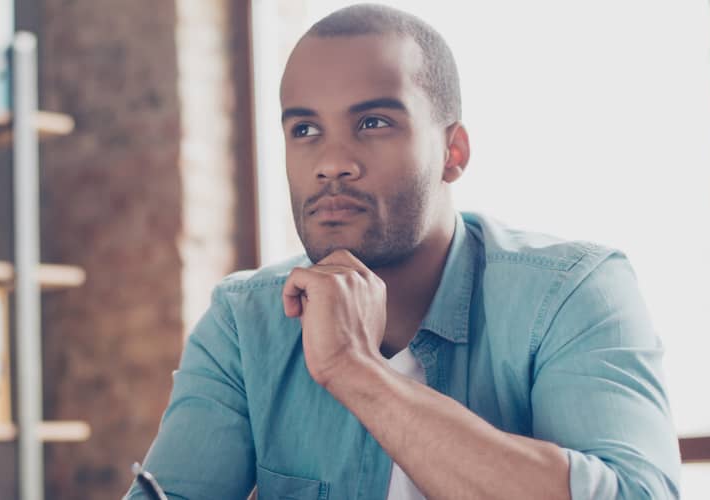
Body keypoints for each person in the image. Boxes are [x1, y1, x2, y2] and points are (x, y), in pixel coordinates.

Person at [126, 4, 680, 499]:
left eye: (373, 123)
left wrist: (357, 371)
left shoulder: (571, 293)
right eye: (304, 129)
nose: (331, 161)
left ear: (452, 151)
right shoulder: (245, 323)